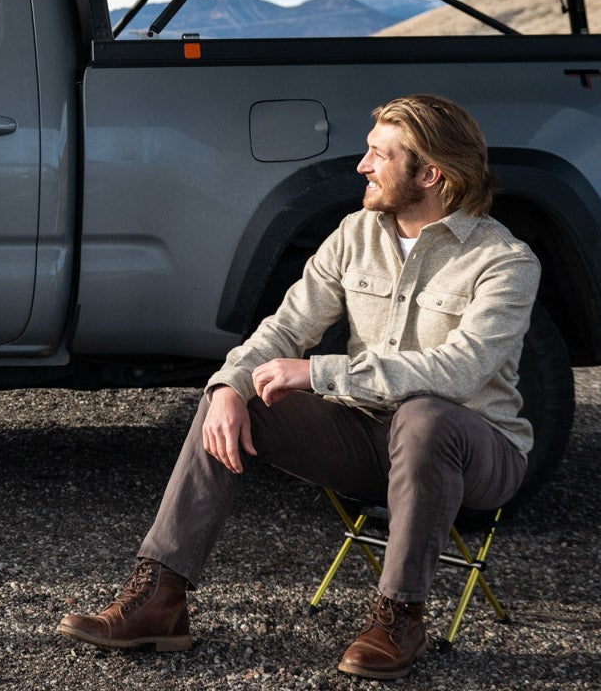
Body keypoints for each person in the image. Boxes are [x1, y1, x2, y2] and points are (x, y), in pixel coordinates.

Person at [57, 94, 538, 680]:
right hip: (371, 442)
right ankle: (160, 599)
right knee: (232, 404)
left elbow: (459, 370)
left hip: (476, 452)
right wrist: (230, 386)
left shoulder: (505, 261)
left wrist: (319, 372)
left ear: (430, 174)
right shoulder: (355, 233)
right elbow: (286, 328)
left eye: (379, 155)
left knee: (425, 416)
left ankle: (399, 616)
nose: (362, 165)